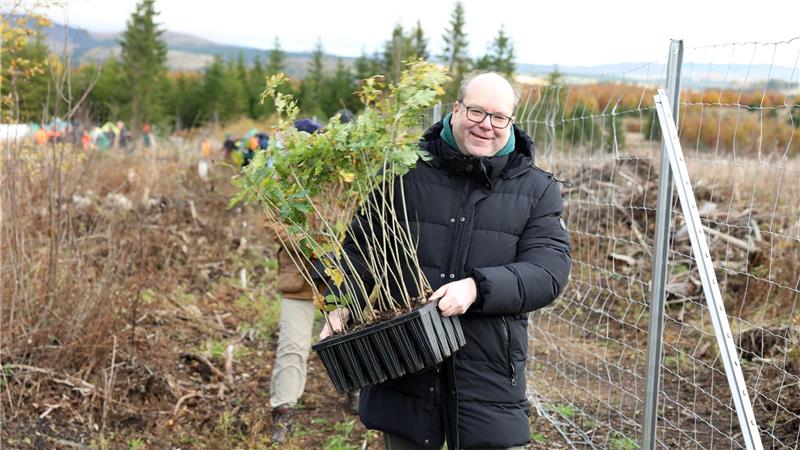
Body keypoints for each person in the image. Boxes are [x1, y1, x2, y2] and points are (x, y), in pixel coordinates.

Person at [320, 72, 572, 449]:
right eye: (476, 111)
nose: (486, 125)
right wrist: (342, 305)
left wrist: (477, 288)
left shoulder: (536, 189)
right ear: (456, 109)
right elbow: (361, 248)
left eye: (499, 117)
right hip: (404, 367)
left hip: (486, 377)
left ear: (511, 122)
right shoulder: (403, 173)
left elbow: (548, 271)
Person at [268, 116, 357, 444]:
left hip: (336, 274)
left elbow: (350, 215)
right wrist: (308, 240)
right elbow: (273, 224)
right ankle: (283, 410)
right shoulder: (280, 184)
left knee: (345, 336)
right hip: (298, 275)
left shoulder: (337, 180)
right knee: (292, 345)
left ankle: (353, 387)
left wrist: (335, 243)